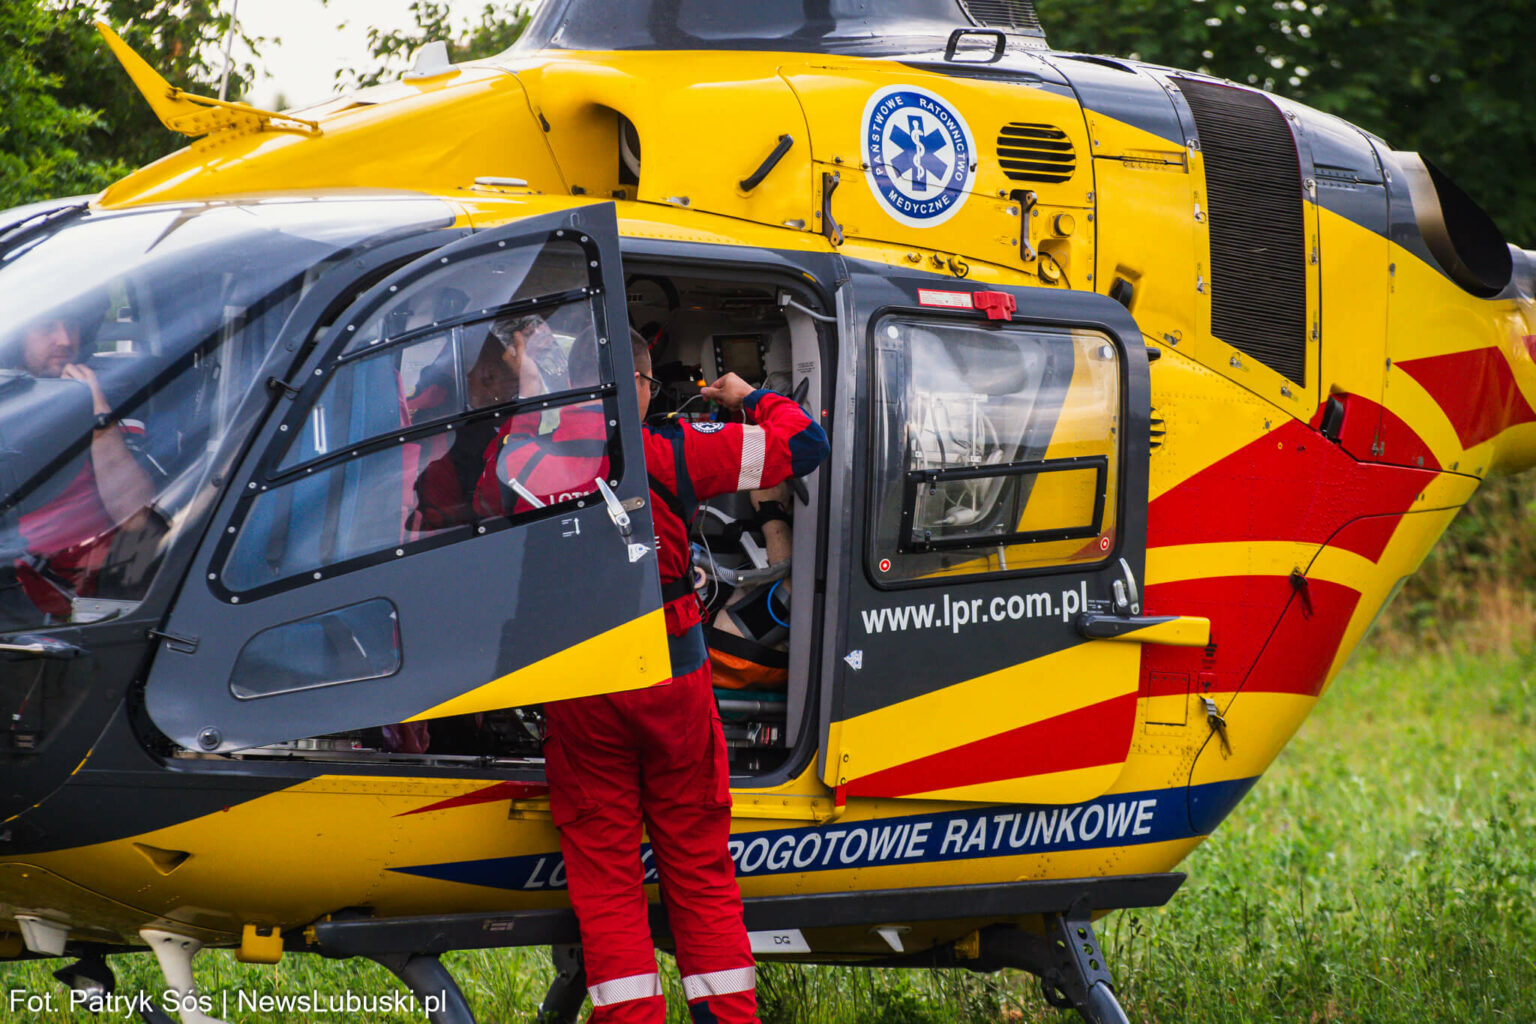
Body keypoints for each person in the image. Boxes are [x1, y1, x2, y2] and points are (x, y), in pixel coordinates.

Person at [540, 334, 829, 1024]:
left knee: (607, 876)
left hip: (580, 681)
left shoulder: (525, 455)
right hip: (672, 678)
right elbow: (806, 444)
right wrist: (748, 397)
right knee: (699, 862)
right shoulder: (675, 448)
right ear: (640, 384)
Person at [8, 314, 157, 618]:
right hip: (14, 595)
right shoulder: (6, 403)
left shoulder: (111, 395)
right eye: (47, 325)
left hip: (94, 601)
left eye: (72, 323)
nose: (64, 340)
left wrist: (97, 414)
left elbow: (138, 520)